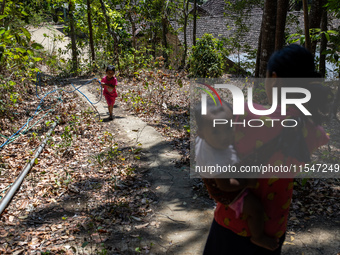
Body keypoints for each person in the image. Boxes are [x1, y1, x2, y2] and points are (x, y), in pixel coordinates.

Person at [202, 44, 331, 255]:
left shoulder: (242, 114)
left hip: (232, 223)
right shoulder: (314, 132)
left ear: (275, 78)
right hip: (273, 229)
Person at [195, 100, 280, 251]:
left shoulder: (207, 136)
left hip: (218, 175)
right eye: (216, 131)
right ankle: (258, 237)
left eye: (228, 127)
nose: (224, 136)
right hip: (222, 188)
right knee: (256, 210)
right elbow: (225, 185)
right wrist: (247, 181)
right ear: (200, 133)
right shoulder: (216, 158)